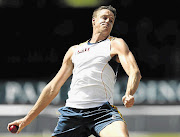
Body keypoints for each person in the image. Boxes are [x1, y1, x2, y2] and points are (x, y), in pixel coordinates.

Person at [7, 5, 141, 137]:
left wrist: (129, 93)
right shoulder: (74, 51)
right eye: (104, 17)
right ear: (93, 20)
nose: (108, 21)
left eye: (111, 20)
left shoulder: (115, 44)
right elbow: (52, 88)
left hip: (103, 113)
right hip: (72, 114)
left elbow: (135, 72)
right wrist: (26, 120)